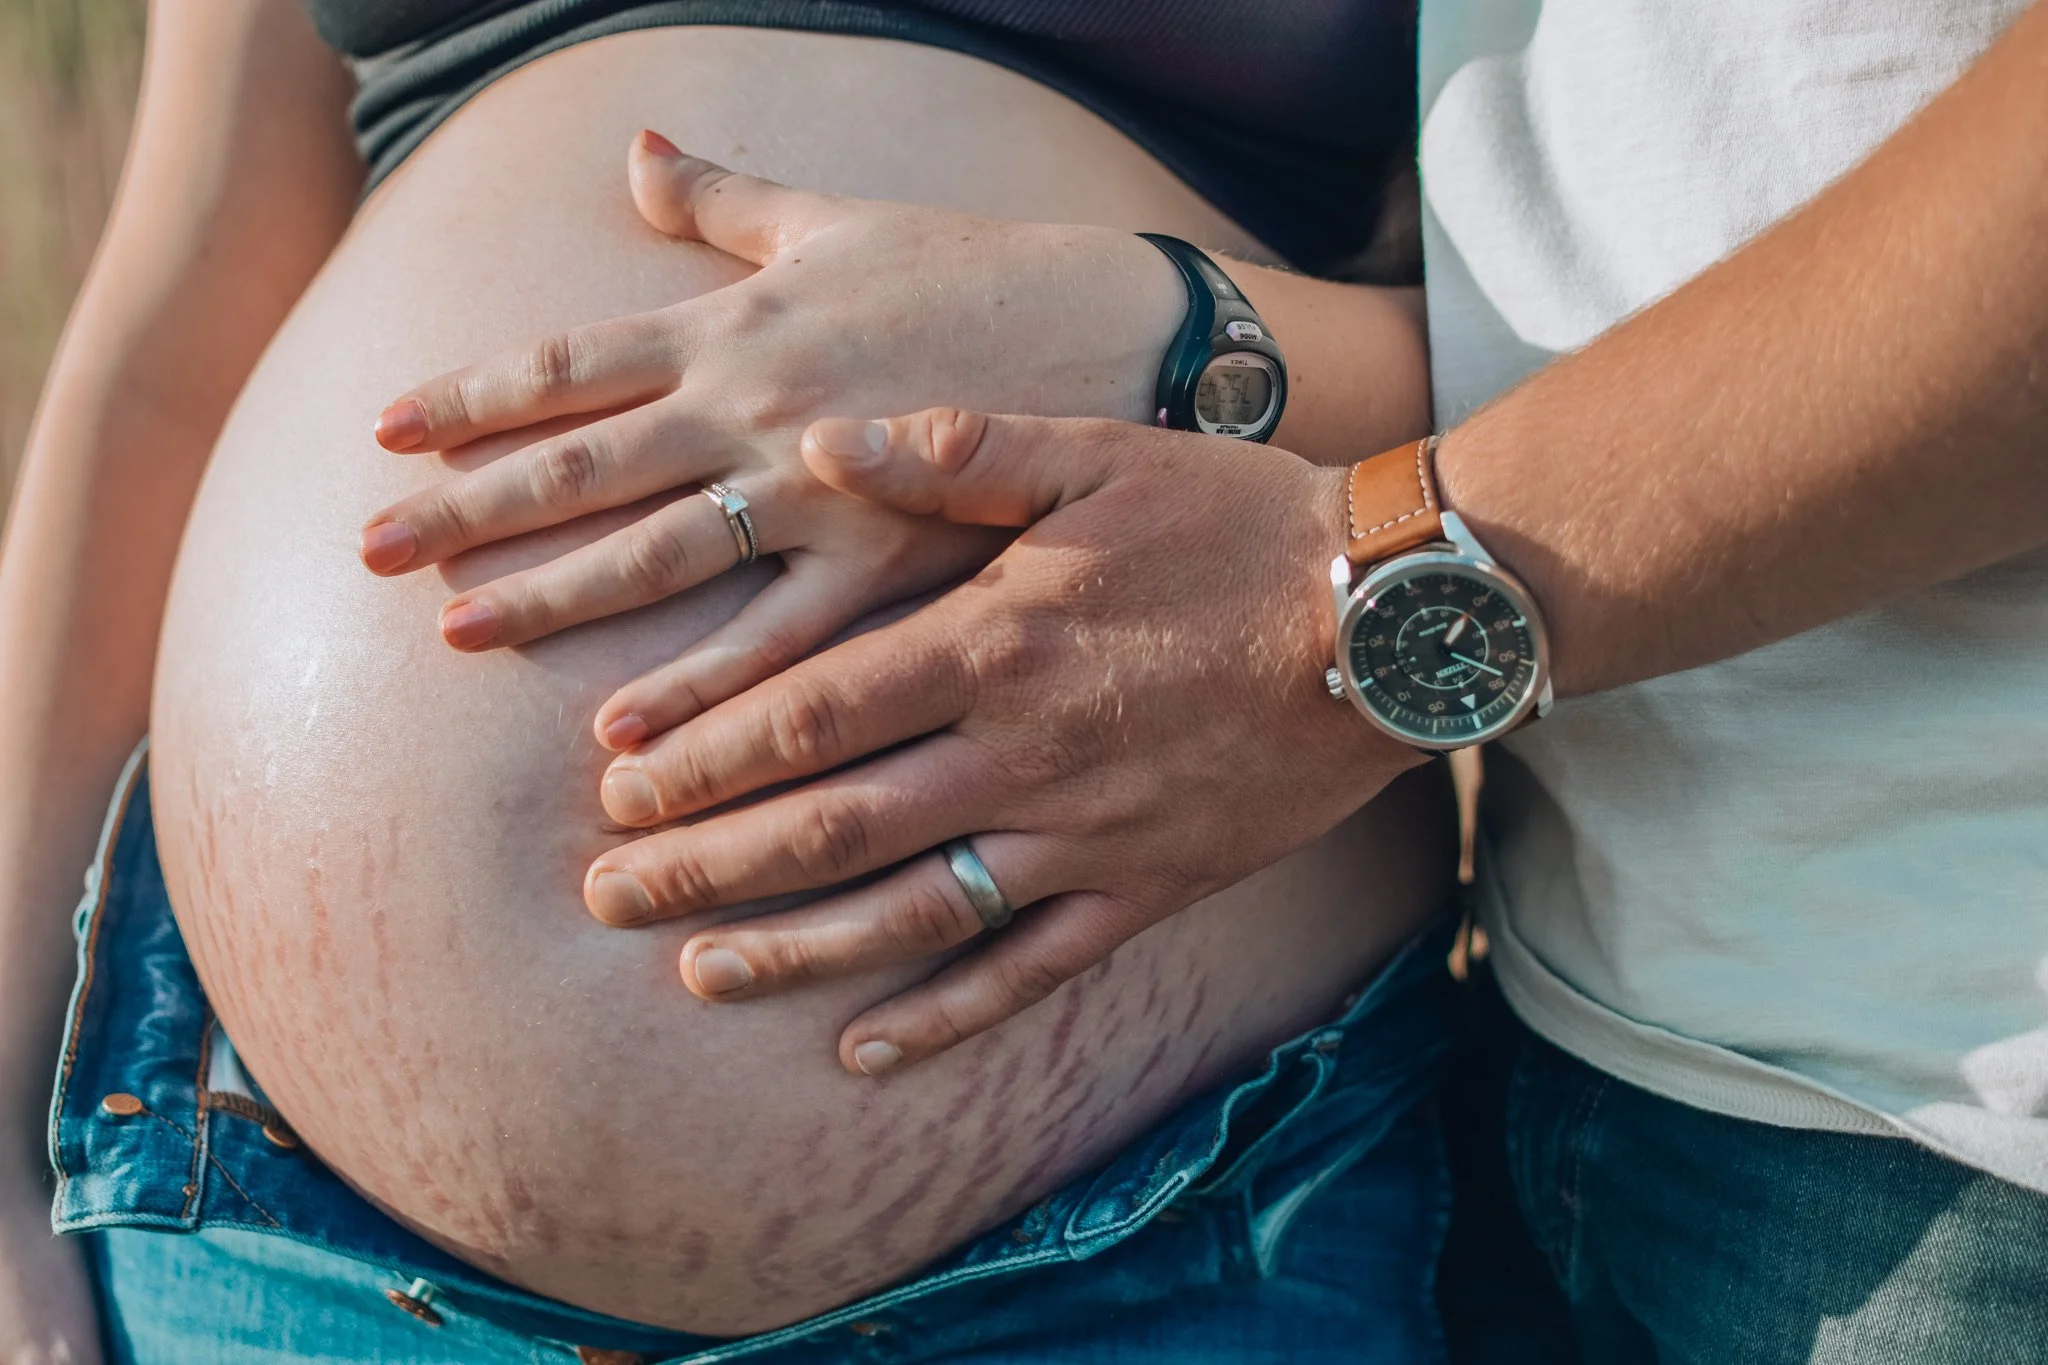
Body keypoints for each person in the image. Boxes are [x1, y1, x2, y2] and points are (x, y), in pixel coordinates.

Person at [547, 1, 2047, 1360]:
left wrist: (1325, 624)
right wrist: (1202, 342)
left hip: (1955, 1116)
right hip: (1576, 1006)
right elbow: (1596, 222)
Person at [0, 2, 1467, 1362]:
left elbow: (1614, 370)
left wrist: (1183, 337)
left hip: (1185, 1213)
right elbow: (176, 326)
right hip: (267, 1229)